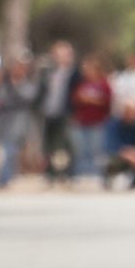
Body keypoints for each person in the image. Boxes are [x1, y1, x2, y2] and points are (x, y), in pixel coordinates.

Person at [0, 55, 40, 189]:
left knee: (10, 150)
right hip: (3, 121)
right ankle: (4, 176)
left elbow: (27, 98)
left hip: (19, 121)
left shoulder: (28, 84)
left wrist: (14, 89)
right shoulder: (3, 84)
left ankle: (4, 178)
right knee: (3, 151)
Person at [35, 40, 77, 183]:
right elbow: (41, 91)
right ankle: (50, 174)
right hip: (49, 113)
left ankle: (67, 174)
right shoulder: (48, 73)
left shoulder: (75, 73)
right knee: (49, 146)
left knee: (65, 145)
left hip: (66, 114)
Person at [67, 54, 115, 180]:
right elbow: (75, 99)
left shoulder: (104, 84)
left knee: (95, 151)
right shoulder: (82, 84)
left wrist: (91, 100)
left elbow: (108, 101)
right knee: (80, 151)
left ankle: (94, 175)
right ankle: (82, 175)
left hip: (97, 122)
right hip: (81, 122)